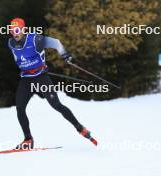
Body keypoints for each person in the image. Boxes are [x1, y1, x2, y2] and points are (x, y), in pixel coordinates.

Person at [8, 17, 97, 150]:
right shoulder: (11, 43)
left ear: (23, 29)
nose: (14, 33)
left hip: (40, 77)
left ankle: (81, 129)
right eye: (11, 30)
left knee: (56, 105)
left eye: (17, 29)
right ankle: (28, 139)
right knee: (20, 108)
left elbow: (56, 43)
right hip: (26, 78)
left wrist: (64, 54)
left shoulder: (35, 39)